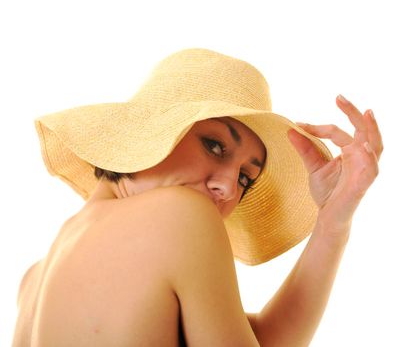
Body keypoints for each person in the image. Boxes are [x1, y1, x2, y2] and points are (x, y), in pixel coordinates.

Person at [13, 48, 383, 346]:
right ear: (150, 132)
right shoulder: (180, 213)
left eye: (245, 177)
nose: (229, 187)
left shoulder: (32, 282)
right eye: (214, 145)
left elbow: (256, 340)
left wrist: (332, 223)